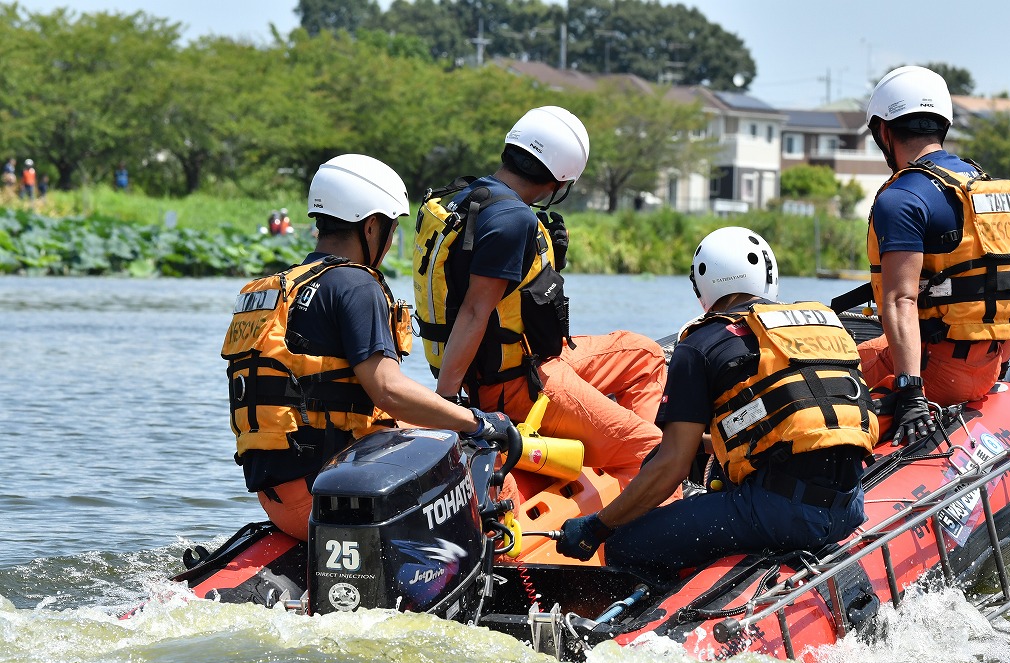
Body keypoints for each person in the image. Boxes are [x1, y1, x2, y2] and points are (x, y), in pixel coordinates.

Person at [554, 227, 878, 578]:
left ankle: (662, 613)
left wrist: (596, 528)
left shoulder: (700, 343)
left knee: (624, 544)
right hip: (849, 506)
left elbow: (672, 467)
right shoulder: (822, 326)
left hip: (780, 512)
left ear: (704, 287)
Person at [223, 153, 511, 541]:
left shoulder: (281, 288)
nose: (390, 243)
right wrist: (478, 422)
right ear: (372, 227)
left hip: (275, 498)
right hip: (329, 500)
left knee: (429, 425)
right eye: (391, 230)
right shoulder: (356, 285)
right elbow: (388, 390)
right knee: (460, 444)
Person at [426, 106, 667, 486]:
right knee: (653, 451)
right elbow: (474, 312)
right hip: (513, 385)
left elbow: (504, 301)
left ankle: (613, 454)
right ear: (560, 180)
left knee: (646, 354)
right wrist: (448, 408)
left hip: (525, 359)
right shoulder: (511, 220)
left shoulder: (464, 197)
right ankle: (636, 484)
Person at [858, 65, 1010, 446]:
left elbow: (900, 299)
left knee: (814, 374)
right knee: (866, 347)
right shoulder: (987, 187)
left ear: (883, 131)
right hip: (985, 368)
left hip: (932, 373)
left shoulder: (901, 198)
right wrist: (999, 359)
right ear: (943, 124)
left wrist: (912, 394)